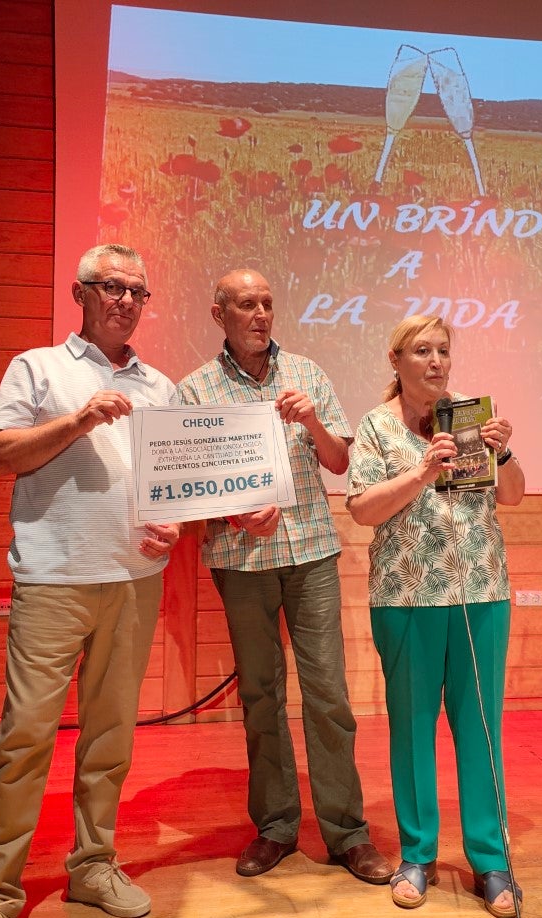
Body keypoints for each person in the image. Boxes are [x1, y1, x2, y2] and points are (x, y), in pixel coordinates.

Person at [0, 244, 180, 918]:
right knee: (24, 736)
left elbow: (169, 485)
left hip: (134, 579)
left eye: (135, 291)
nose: (123, 299)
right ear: (79, 293)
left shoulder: (161, 386)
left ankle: (93, 867)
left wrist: (172, 523)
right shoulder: (39, 368)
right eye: (109, 286)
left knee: (110, 738)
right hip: (55, 579)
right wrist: (78, 420)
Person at [175, 268, 393, 886]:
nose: (261, 314)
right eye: (247, 304)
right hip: (240, 559)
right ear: (220, 315)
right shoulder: (196, 390)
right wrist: (236, 512)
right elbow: (187, 491)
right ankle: (274, 826)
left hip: (311, 553)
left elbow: (341, 461)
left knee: (328, 695)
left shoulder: (308, 375)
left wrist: (313, 424)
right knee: (261, 696)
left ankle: (347, 833)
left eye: (268, 303)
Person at [345, 314, 527, 918]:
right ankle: (417, 856)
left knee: (481, 732)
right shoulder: (375, 426)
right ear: (396, 360)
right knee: (413, 731)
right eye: (422, 351)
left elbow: (514, 493)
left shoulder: (471, 417)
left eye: (443, 351)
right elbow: (364, 510)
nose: (436, 362)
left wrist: (505, 452)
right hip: (405, 599)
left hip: (479, 591)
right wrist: (423, 470)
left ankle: (492, 861)